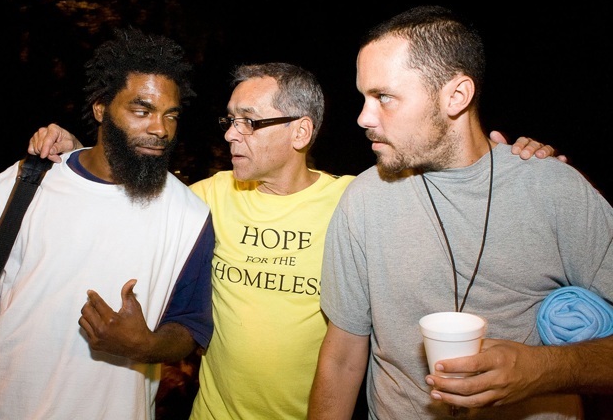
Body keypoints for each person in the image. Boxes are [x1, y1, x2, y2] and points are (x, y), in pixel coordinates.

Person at [28, 62, 558, 419]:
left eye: (249, 122)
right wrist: (76, 151)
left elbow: (456, 186)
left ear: (300, 133)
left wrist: (517, 165)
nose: (231, 134)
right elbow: (126, 192)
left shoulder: (359, 202)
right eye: (229, 120)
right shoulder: (206, 198)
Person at [308, 5, 613, 420]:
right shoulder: (364, 199)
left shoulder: (553, 189)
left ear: (456, 96)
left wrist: (541, 370)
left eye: (384, 97)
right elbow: (342, 357)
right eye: (364, 97)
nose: (363, 117)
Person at [0, 27, 215, 420]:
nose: (160, 129)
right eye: (141, 110)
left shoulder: (189, 215)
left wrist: (145, 345)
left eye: (170, 115)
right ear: (101, 108)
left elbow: (190, 326)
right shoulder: (28, 183)